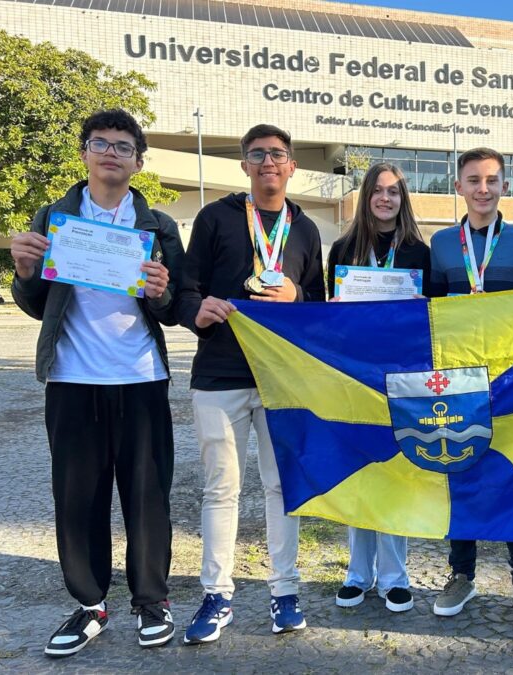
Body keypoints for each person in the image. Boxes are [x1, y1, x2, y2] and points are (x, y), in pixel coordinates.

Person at [9, 109, 183, 657]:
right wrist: (23, 273)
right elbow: (37, 305)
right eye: (100, 143)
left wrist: (161, 292)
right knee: (78, 496)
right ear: (84, 153)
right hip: (72, 377)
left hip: (140, 376)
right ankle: (90, 604)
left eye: (124, 146)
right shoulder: (55, 216)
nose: (111, 152)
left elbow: (174, 308)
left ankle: (151, 599)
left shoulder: (158, 226)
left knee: (147, 492)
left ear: (137, 161)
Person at [176, 124, 326, 644]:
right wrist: (197, 309)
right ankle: (217, 596)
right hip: (220, 374)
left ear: (291, 167)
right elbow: (185, 289)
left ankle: (284, 590)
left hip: (282, 377)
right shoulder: (215, 218)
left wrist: (296, 300)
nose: (268, 162)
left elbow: (319, 307)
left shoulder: (305, 230)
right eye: (257, 154)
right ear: (244, 165)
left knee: (283, 487)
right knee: (222, 490)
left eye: (278, 154)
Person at [428, 147, 513, 623]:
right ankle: (462, 573)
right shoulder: (440, 244)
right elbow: (432, 312)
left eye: (492, 180)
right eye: (474, 180)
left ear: (505, 186)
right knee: (461, 469)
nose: (483, 189)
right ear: (458, 186)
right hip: (458, 378)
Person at [327, 162, 430, 612]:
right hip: (352, 375)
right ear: (366, 196)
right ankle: (357, 573)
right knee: (359, 473)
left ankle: (394, 577)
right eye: (378, 191)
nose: (386, 199)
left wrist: (424, 308)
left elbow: (431, 320)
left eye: (394, 192)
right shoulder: (343, 248)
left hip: (400, 374)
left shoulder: (416, 252)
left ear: (402, 199)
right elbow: (328, 322)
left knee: (396, 475)